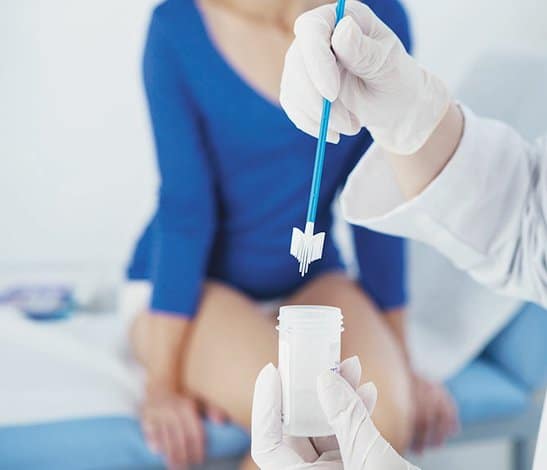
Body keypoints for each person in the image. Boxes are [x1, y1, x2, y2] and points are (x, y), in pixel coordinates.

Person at [124, 1, 453, 468]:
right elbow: (185, 212)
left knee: (384, 421)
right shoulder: (177, 26)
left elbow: (379, 198)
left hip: (307, 276)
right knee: (299, 426)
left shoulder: (376, 21)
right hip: (191, 289)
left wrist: (403, 363)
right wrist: (163, 385)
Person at [260, 1, 547, 468]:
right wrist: (412, 116)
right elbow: (529, 228)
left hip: (324, 283)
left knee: (378, 411)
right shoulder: (181, 27)